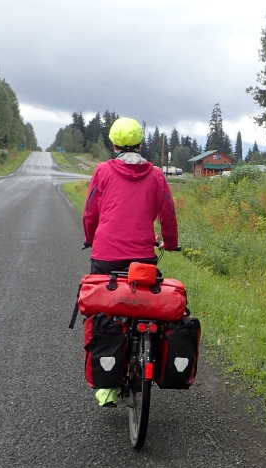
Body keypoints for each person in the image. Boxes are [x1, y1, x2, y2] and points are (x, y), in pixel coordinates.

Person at [82, 117, 178, 407]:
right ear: (140, 143)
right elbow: (169, 215)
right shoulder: (156, 176)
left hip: (105, 256)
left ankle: (106, 385)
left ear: (113, 144)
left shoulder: (102, 172)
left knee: (103, 312)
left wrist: (91, 238)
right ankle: (144, 356)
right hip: (142, 260)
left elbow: (90, 212)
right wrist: (170, 244)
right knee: (143, 310)